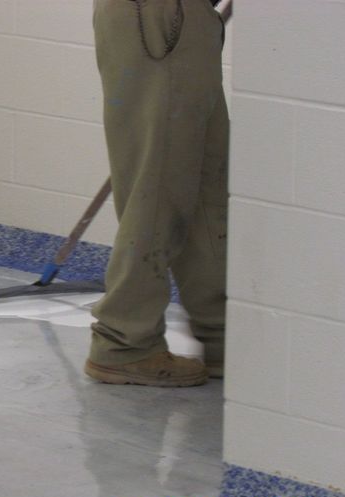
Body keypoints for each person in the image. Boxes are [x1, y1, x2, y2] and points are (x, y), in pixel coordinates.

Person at [85, 0, 229, 387]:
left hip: (179, 19)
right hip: (161, 20)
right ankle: (124, 341)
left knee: (205, 184)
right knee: (161, 187)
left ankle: (222, 334)